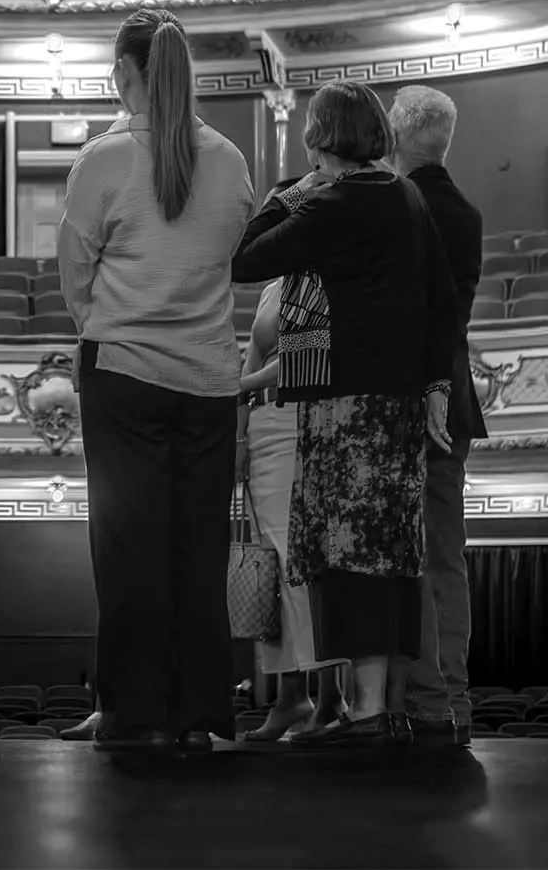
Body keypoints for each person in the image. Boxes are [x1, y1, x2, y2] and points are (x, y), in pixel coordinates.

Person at [229, 82, 457, 750]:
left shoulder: (334, 201)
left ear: (319, 137)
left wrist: (287, 192)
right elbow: (443, 300)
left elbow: (246, 257)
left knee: (344, 557)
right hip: (398, 409)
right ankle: (379, 708)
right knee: (387, 557)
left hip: (342, 407)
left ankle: (361, 714)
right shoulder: (406, 197)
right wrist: (436, 384)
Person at [59, 8, 255, 753]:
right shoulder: (231, 161)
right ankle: (198, 712)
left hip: (126, 375)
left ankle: (131, 711)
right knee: (197, 553)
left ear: (123, 75)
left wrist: (108, 321)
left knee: (128, 554)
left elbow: (76, 275)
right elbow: (227, 256)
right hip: (207, 379)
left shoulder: (103, 160)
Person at [388, 86, 486, 748]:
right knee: (445, 558)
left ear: (396, 133)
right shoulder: (466, 210)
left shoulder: (399, 205)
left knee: (404, 560)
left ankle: (421, 701)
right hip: (455, 397)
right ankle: (452, 696)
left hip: (407, 400)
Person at [235, 274, 343, 743]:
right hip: (264, 424)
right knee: (272, 566)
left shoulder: (329, 277)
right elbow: (254, 353)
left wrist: (243, 382)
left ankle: (328, 697)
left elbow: (312, 352)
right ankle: (290, 696)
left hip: (308, 416)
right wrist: (239, 435)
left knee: (304, 562)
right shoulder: (272, 287)